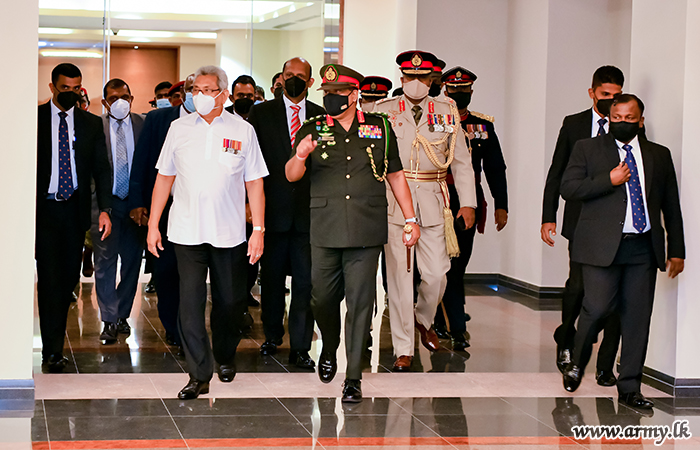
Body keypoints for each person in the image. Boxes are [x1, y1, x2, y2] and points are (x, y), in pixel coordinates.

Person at [285, 63, 419, 402]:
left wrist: (411, 218)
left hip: (365, 228)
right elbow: (291, 174)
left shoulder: (380, 127)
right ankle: (329, 346)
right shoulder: (312, 128)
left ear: (354, 94)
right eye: (327, 93)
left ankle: (353, 377)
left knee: (361, 303)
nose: (331, 98)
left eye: (338, 93)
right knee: (322, 299)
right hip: (325, 228)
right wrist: (300, 155)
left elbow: (395, 175)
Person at [147, 65, 268, 400]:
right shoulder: (178, 128)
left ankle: (225, 355)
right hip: (186, 231)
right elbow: (164, 178)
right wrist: (154, 224)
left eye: (206, 89)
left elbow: (255, 183)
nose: (199, 95)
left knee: (230, 302)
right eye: (195, 89)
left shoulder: (243, 130)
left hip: (229, 232)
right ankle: (199, 373)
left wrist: (258, 229)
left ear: (223, 94)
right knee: (190, 304)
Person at [560, 94, 685, 412]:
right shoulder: (588, 148)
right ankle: (577, 360)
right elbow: (569, 188)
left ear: (640, 121)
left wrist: (676, 249)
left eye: (630, 118)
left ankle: (629, 387)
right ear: (609, 118)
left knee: (637, 319)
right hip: (600, 246)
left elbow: (671, 204)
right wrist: (609, 180)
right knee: (597, 307)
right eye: (617, 117)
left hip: (642, 247)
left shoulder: (659, 154)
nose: (623, 123)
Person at [369, 50, 477, 372]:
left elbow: (461, 161)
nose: (415, 82)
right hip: (395, 204)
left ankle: (422, 319)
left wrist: (468, 202)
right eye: (410, 77)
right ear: (402, 79)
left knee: (436, 274)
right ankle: (403, 349)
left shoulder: (446, 111)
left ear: (431, 80)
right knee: (400, 280)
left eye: (422, 78)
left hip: (433, 201)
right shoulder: (383, 110)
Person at [541, 66, 624, 385]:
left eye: (616, 95)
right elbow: (557, 172)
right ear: (592, 93)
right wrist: (549, 215)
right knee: (577, 285)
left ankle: (604, 363)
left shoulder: (626, 125)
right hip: (580, 219)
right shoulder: (573, 124)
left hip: (615, 221)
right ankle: (565, 340)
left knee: (611, 294)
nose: (611, 101)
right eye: (605, 95)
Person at [247, 57, 325, 367]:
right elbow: (252, 162)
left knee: (305, 283)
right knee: (272, 280)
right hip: (272, 210)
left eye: (300, 76)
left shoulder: (321, 116)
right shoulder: (261, 113)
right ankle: (272, 335)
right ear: (281, 77)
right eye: (288, 74)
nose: (293, 80)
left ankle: (301, 346)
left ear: (310, 82)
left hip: (309, 214)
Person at [36, 63, 113, 372]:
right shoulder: (36, 120)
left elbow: (101, 169)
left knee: (68, 280)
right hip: (44, 211)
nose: (70, 93)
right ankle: (51, 351)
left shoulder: (90, 124)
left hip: (74, 211)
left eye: (75, 88)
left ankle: (55, 342)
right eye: (64, 88)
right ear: (52, 87)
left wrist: (105, 209)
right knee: (49, 281)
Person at [436, 66, 509, 350]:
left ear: (471, 92)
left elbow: (495, 168)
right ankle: (450, 324)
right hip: (437, 197)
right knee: (439, 266)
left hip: (468, 201)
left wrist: (501, 205)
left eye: (463, 90)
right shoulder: (434, 121)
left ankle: (449, 320)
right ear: (445, 91)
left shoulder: (482, 126)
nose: (458, 94)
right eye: (453, 90)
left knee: (458, 264)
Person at [129, 73, 195, 349]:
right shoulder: (158, 119)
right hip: (164, 208)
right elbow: (141, 161)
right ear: (182, 92)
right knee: (166, 271)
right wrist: (137, 201)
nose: (195, 94)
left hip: (197, 209)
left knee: (192, 273)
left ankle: (190, 327)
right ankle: (173, 327)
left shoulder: (217, 122)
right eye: (190, 89)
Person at [92, 78, 146, 344]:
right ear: (105, 102)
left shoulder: (143, 124)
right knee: (105, 263)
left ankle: (122, 314)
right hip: (106, 205)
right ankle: (108, 319)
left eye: (124, 97)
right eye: (113, 99)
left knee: (132, 263)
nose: (120, 102)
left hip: (135, 206)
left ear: (132, 99)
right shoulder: (96, 126)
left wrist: (143, 203)